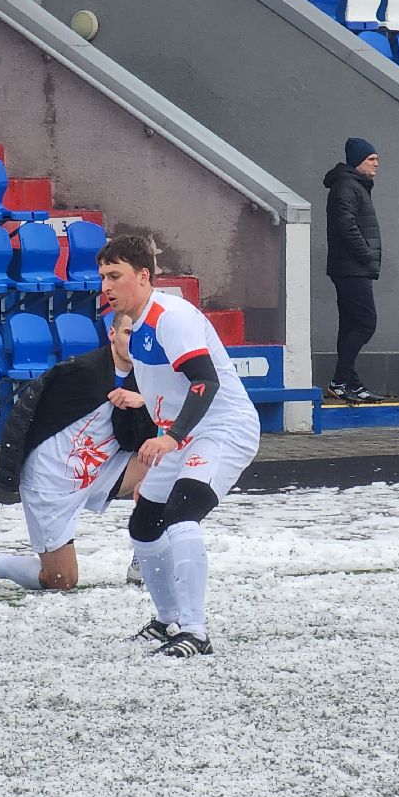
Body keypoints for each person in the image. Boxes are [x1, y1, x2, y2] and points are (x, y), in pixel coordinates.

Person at [99, 235, 261, 658]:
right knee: (144, 525)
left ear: (144, 275)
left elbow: (205, 381)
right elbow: (161, 382)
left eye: (115, 275)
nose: (107, 286)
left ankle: (196, 632)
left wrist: (169, 438)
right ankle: (168, 618)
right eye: (102, 277)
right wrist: (145, 409)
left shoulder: (172, 316)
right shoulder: (135, 327)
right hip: (181, 433)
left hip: (221, 428)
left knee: (183, 517)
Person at [0, 313, 155, 591]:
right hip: (52, 481)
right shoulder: (81, 371)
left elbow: (145, 435)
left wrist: (142, 403)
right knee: (61, 581)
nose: (134, 342)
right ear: (112, 334)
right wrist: (12, 468)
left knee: (166, 459)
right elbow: (27, 409)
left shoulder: (145, 377)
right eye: (128, 333)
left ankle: (145, 555)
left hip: (99, 471)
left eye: (140, 335)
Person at [323, 137, 385, 404]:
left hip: (351, 267)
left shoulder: (354, 186)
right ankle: (339, 380)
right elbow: (346, 227)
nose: (377, 164)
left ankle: (351, 382)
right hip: (351, 268)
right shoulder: (347, 187)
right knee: (364, 323)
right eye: (371, 159)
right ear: (358, 161)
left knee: (349, 325)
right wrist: (367, 255)